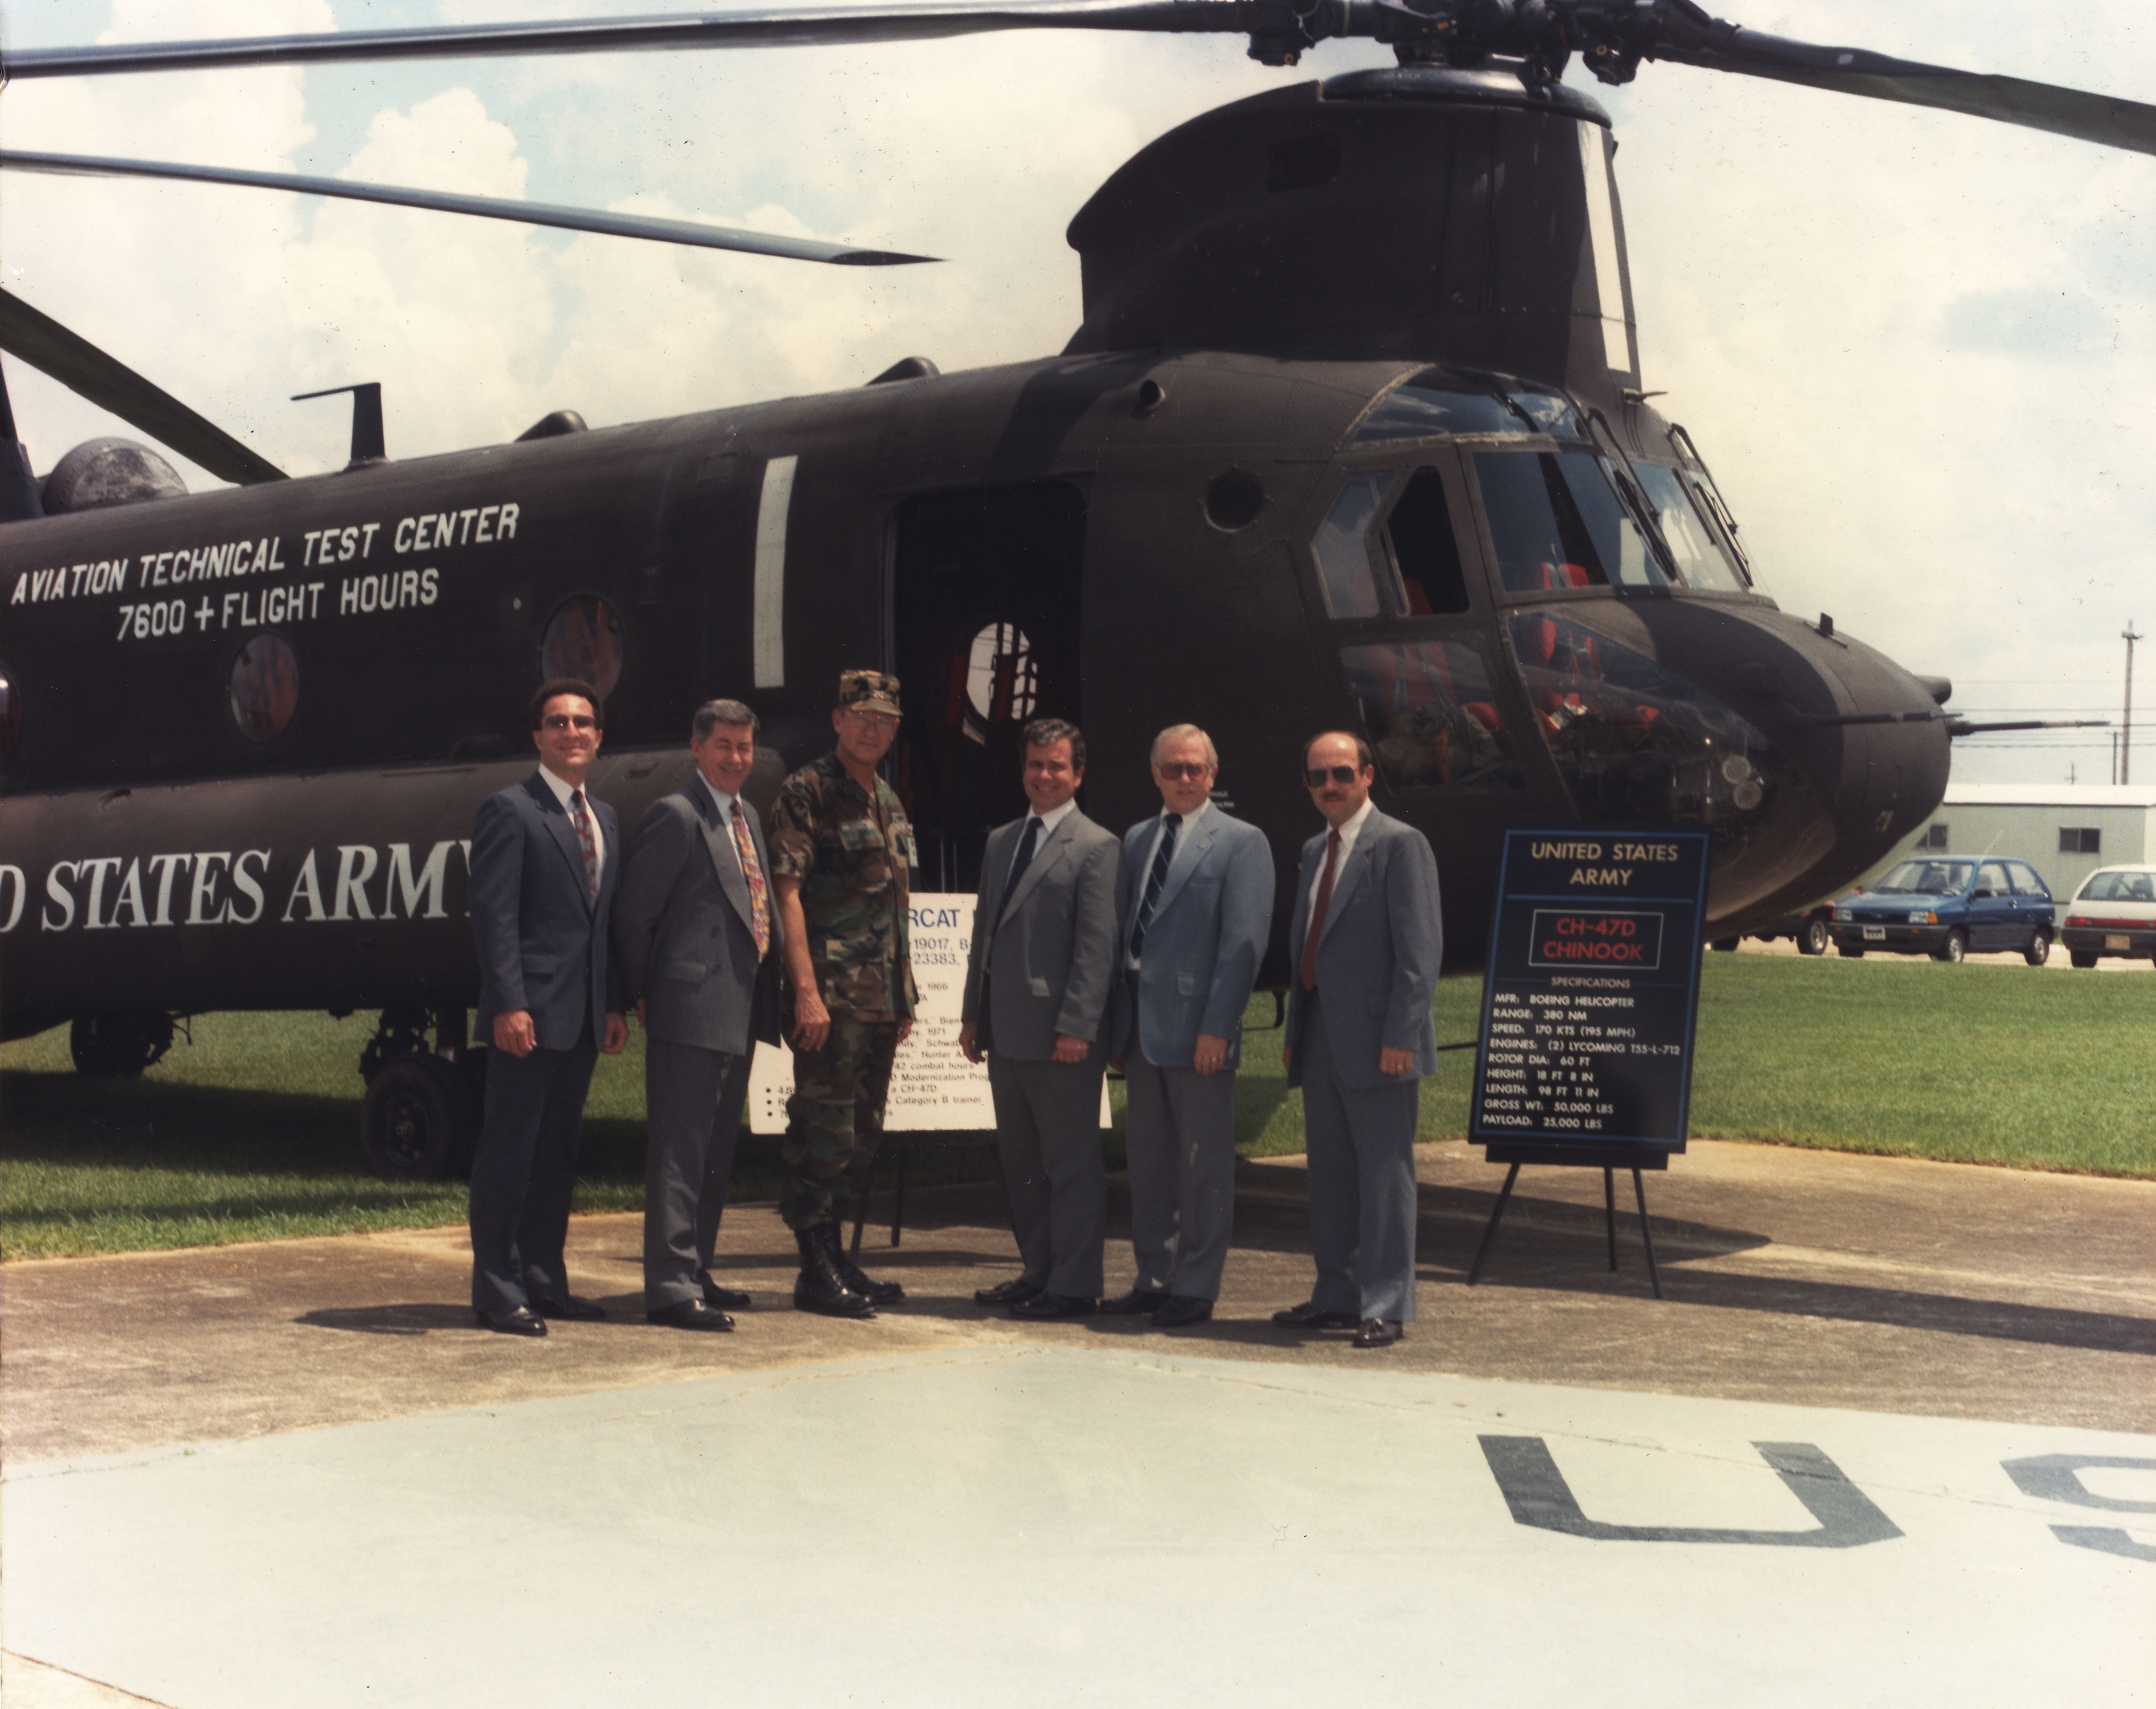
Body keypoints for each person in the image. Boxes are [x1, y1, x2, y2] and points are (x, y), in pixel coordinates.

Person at [612, 698, 783, 1333]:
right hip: (689, 1009)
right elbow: (636, 916)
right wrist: (643, 993)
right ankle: (668, 1286)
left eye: (744, 748)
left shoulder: (748, 818)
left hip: (737, 1010)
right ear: (697, 747)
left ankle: (696, 1268)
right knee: (681, 1153)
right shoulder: (676, 816)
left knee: (716, 1150)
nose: (736, 758)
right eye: (724, 746)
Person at [466, 678, 630, 1337]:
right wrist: (509, 1004)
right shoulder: (511, 810)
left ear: (598, 736)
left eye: (583, 723)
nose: (572, 733)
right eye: (558, 723)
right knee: (509, 1154)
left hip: (583, 1018)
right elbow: (494, 916)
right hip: (527, 1019)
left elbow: (603, 924)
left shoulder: (605, 817)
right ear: (538, 736)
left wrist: (612, 1003)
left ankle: (543, 1281)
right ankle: (497, 1290)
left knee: (557, 1156)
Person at [1272, 731, 1442, 1349]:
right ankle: (1337, 1294)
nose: (1330, 787)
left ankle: (1387, 1303)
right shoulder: (1316, 849)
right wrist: (1296, 1032)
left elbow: (1420, 954)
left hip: (1380, 1042)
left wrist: (1402, 1033)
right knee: (1331, 1174)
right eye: (1318, 777)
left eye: (1342, 774)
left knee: (1385, 1175)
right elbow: (1305, 952)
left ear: (1368, 775)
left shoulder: (1400, 845)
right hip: (1321, 1036)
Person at [1103, 725, 1274, 1328]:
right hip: (1141, 1029)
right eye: (1172, 769)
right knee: (1147, 1160)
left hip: (1199, 1029)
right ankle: (1155, 1277)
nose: (1183, 779)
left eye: (1194, 769)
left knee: (1202, 1164)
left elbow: (1244, 946)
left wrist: (1219, 1025)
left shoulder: (1242, 843)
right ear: (1154, 773)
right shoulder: (1137, 839)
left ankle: (1196, 1287)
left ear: (1212, 774)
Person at [960, 718, 1124, 1319]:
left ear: (1077, 774)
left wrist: (1079, 1027)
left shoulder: (1097, 846)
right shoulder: (1003, 839)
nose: (1045, 775)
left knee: (1070, 1163)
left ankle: (1075, 1284)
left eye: (1057, 766)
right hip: (1004, 1031)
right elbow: (985, 934)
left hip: (1062, 1037)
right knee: (1022, 1163)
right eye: (1035, 764)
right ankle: (1038, 1270)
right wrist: (972, 1016)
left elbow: (1096, 948)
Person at [766, 671, 918, 1318]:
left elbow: (897, 904)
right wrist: (805, 992)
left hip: (880, 998)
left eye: (884, 720)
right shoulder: (808, 792)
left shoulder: (888, 799)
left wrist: (903, 994)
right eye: (862, 717)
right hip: (831, 997)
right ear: (837, 721)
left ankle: (835, 1258)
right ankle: (813, 1267)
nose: (872, 728)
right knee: (822, 1128)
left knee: (861, 1130)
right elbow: (788, 893)